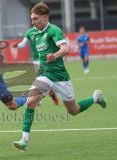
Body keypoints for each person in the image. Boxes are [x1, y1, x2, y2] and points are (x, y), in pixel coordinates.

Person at [13, 2, 107, 151]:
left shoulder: (54, 30)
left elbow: (65, 48)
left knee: (73, 110)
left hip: (60, 77)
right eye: (32, 19)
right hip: (44, 75)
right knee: (31, 102)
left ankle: (95, 98)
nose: (33, 22)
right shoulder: (35, 33)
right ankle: (24, 140)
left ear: (45, 17)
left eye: (36, 19)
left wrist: (55, 55)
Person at [13, 26, 59, 106]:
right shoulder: (30, 32)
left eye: (36, 18)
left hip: (46, 59)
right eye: (34, 19)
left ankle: (37, 98)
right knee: (43, 79)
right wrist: (17, 45)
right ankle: (50, 91)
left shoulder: (47, 30)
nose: (35, 21)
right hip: (36, 60)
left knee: (42, 79)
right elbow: (23, 44)